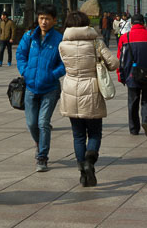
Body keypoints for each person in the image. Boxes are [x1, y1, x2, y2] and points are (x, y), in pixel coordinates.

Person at [58, 10, 119, 188]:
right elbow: (114, 63)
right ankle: (90, 161)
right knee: (94, 132)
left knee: (78, 135)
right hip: (91, 90)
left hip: (70, 90)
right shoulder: (96, 43)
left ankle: (83, 173)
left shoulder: (62, 45)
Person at [16, 5, 65, 172]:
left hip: (50, 88)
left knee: (43, 122)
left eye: (47, 19)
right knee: (31, 123)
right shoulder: (29, 36)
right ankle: (39, 142)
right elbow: (20, 55)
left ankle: (42, 157)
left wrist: (52, 75)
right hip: (30, 87)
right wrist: (25, 71)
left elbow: (64, 62)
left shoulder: (59, 39)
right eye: (41, 18)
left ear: (54, 20)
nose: (44, 21)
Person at [117, 13, 147, 138]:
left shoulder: (124, 38)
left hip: (131, 75)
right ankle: (146, 120)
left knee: (132, 102)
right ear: (144, 24)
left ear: (131, 24)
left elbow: (120, 60)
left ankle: (134, 129)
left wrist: (120, 75)